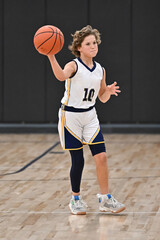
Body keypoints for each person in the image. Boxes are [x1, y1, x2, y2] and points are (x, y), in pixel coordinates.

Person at [48, 25, 125, 215]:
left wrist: (107, 91)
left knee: (102, 157)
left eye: (95, 43)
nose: (93, 46)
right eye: (88, 43)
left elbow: (102, 98)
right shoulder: (73, 65)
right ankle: (75, 199)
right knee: (78, 159)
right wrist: (50, 55)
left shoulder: (100, 69)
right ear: (79, 47)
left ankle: (105, 199)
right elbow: (60, 76)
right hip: (70, 116)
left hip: (90, 116)